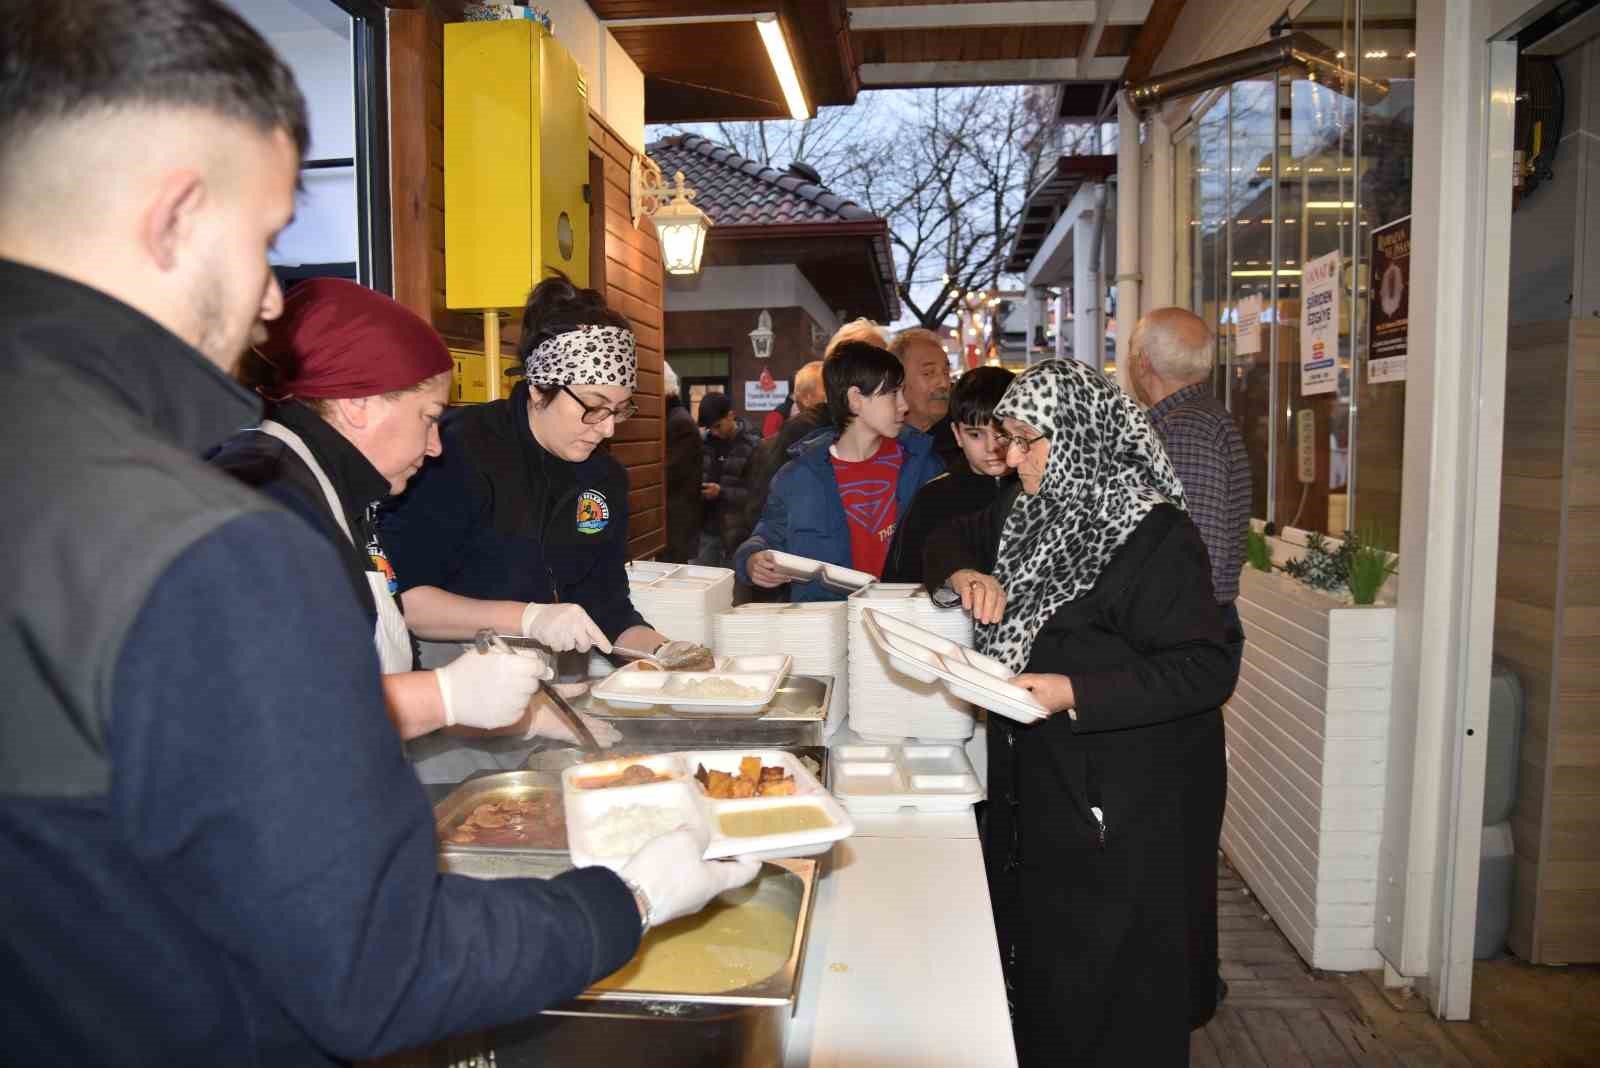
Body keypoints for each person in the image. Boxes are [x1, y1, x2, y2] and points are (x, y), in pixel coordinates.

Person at [0, 3, 755, 1064]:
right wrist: (622, 901)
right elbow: (379, 969)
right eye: (266, 243)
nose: (271, 302)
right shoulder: (208, 545)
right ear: (174, 214)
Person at [923, 358, 1237, 1066]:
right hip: (1043, 781)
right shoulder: (1026, 508)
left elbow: (1205, 667)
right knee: (1050, 966)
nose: (1011, 458)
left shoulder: (1153, 535)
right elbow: (949, 537)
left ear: (1083, 436)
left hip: (1126, 799)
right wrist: (962, 573)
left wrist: (1074, 690)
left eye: (1029, 440)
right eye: (1006, 438)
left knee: (1116, 984)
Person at [211, 278, 610, 748]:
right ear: (359, 403)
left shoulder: (338, 493)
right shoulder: (264, 499)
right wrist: (443, 695)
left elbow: (373, 676)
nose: (437, 445)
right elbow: (272, 710)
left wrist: (520, 713)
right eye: (428, 417)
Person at [381, 274, 687, 781]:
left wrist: (667, 656)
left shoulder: (602, 475)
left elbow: (608, 605)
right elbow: (408, 602)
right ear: (541, 387)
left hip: (558, 703)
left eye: (620, 409)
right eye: (593, 406)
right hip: (456, 713)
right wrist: (530, 619)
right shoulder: (458, 452)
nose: (607, 428)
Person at [736, 340, 943, 601]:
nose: (904, 405)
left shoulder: (923, 465)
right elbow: (766, 536)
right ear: (856, 399)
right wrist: (753, 559)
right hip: (824, 631)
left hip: (904, 624)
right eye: (893, 394)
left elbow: (951, 543)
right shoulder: (799, 477)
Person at [1128, 308, 1251, 636]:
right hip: (1189, 621)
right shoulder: (1198, 419)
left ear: (1143, 362)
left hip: (1179, 627)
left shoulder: (1183, 430)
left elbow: (1198, 548)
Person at [882, 365, 1015, 583]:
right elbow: (900, 585)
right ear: (957, 434)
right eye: (975, 434)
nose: (992, 447)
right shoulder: (931, 500)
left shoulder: (1039, 491)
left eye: (1002, 433)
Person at [695, 391, 759, 566]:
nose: (714, 432)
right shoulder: (703, 444)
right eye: (710, 428)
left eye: (718, 426)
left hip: (739, 534)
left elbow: (757, 495)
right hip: (707, 531)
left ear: (731, 415)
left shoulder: (753, 446)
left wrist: (722, 492)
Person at [890, 326, 960, 470]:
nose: (944, 383)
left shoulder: (963, 443)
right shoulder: (877, 450)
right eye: (928, 373)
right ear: (897, 381)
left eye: (946, 372)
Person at [661, 361, 703, 563]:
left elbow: (669, 474)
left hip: (675, 525)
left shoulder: (679, 423)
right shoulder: (676, 419)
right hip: (672, 523)